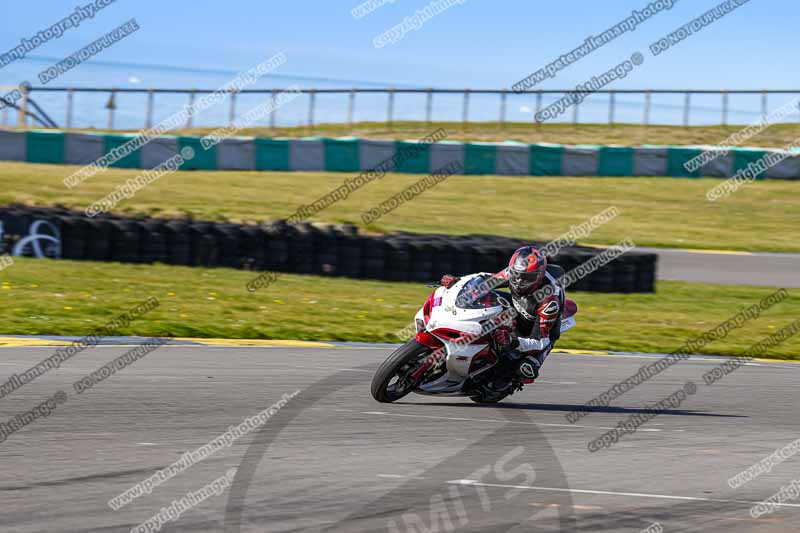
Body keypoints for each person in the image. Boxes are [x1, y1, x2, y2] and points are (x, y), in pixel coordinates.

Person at [440, 245, 566, 384]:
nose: (519, 282)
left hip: (539, 328)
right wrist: (458, 281)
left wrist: (514, 341)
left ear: (539, 276)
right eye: (516, 276)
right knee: (484, 300)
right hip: (517, 306)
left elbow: (540, 341)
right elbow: (485, 281)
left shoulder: (549, 301)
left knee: (526, 369)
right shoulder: (516, 272)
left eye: (526, 278)